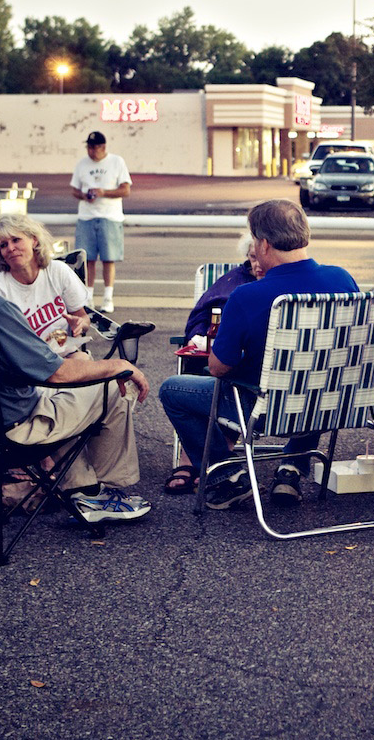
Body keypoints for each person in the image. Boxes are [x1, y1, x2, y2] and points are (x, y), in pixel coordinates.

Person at [0, 217, 152, 523]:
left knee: (66, 398)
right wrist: (119, 365)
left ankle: (81, 489)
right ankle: (102, 492)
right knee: (112, 387)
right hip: (7, 431)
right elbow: (54, 374)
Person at [158, 199, 356, 510]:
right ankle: (291, 468)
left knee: (172, 389)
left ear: (262, 244)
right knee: (316, 372)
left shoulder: (248, 296)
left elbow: (219, 367)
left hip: (264, 409)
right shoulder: (341, 280)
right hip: (332, 405)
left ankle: (227, 476)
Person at [163, 232, 259, 495]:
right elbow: (201, 314)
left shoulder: (262, 289)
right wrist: (201, 335)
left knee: (185, 388)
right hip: (219, 358)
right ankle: (192, 458)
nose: (257, 264)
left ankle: (214, 460)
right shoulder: (232, 281)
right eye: (252, 257)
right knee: (199, 370)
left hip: (245, 382)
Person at [0, 212, 90, 350]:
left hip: (66, 352)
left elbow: (84, 318)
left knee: (85, 360)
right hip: (27, 364)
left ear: (34, 240)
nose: (10, 248)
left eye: (16, 240)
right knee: (88, 363)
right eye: (4, 245)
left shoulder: (57, 271)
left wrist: (79, 324)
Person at [70, 130, 131, 313]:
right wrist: (84, 195)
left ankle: (108, 297)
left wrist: (104, 192)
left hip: (109, 216)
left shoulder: (116, 162)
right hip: (87, 216)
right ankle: (88, 297)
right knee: (87, 259)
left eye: (94, 147)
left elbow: (126, 190)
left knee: (108, 258)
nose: (90, 151)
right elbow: (74, 189)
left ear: (102, 147)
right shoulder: (82, 164)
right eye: (88, 147)